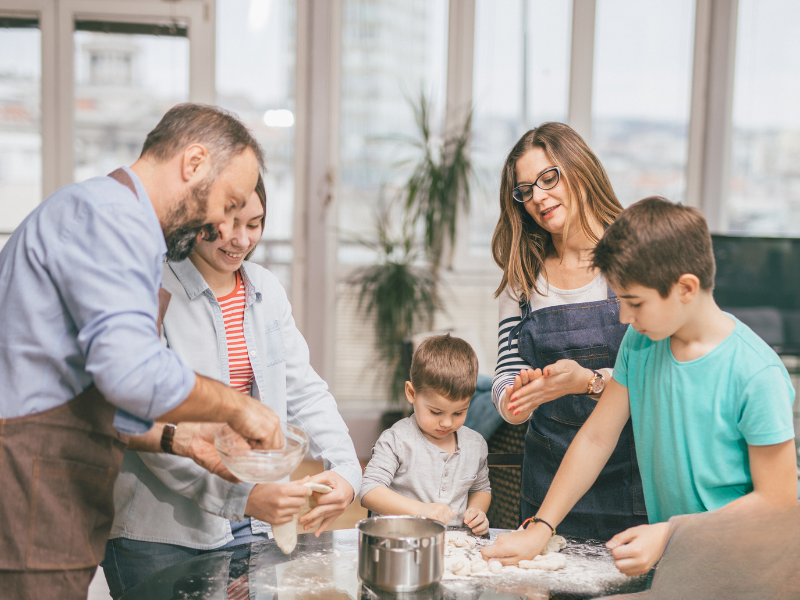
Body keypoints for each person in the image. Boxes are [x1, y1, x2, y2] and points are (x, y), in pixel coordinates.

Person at [0, 103, 284, 600]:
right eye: (228, 201)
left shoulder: (114, 220)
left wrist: (185, 441)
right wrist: (240, 406)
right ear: (193, 164)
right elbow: (131, 374)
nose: (220, 225)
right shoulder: (112, 219)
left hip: (51, 476)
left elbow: (87, 384)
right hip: (32, 480)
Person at [483, 197, 798, 575]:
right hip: (680, 563)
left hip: (743, 572)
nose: (623, 316)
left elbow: (778, 502)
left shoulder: (756, 373)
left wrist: (670, 533)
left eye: (633, 301)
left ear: (685, 288)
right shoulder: (641, 343)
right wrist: (541, 528)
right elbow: (597, 437)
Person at [102, 177, 362, 598]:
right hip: (158, 533)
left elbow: (305, 391)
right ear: (198, 218)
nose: (241, 240)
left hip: (252, 521)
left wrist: (347, 471)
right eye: (230, 222)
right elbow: (144, 420)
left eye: (255, 224)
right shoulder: (152, 289)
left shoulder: (266, 290)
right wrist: (243, 496)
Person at [490, 122, 647, 539]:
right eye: (525, 190)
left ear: (579, 168)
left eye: (548, 177)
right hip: (547, 485)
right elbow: (506, 374)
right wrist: (515, 399)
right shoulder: (523, 278)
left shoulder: (636, 260)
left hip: (635, 483)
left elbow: (659, 377)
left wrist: (588, 383)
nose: (538, 197)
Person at [360, 334, 492, 535]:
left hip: (455, 545)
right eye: (436, 412)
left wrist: (477, 511)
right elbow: (369, 490)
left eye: (459, 412)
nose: (447, 422)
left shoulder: (475, 444)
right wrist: (421, 510)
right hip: (401, 541)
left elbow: (481, 488)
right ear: (411, 393)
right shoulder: (397, 440)